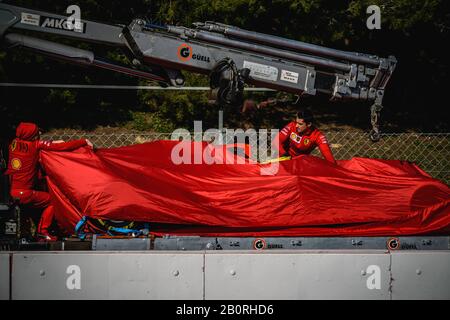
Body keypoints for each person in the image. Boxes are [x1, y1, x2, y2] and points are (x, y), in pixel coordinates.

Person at [5, 122, 93, 241]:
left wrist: (53, 142)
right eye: (37, 132)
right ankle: (42, 231)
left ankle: (26, 232)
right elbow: (61, 147)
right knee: (52, 201)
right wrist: (83, 141)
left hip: (10, 192)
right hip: (25, 193)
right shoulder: (35, 146)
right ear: (32, 135)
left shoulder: (13, 144)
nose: (39, 134)